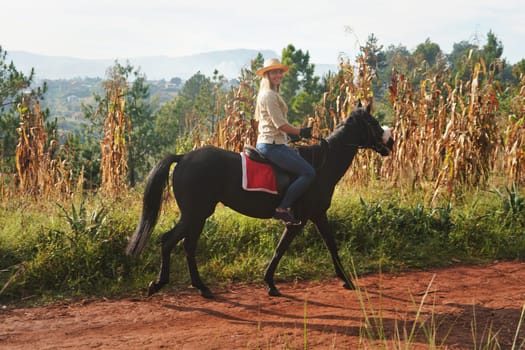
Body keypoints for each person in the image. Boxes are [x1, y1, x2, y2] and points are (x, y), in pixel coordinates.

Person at [254, 58, 315, 225]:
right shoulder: (269, 95)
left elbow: (279, 123)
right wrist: (300, 131)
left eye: (280, 72)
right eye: (274, 72)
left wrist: (293, 135)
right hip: (272, 144)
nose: (278, 75)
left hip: (276, 141)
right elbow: (280, 124)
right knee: (308, 173)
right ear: (267, 75)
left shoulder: (271, 94)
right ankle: (283, 208)